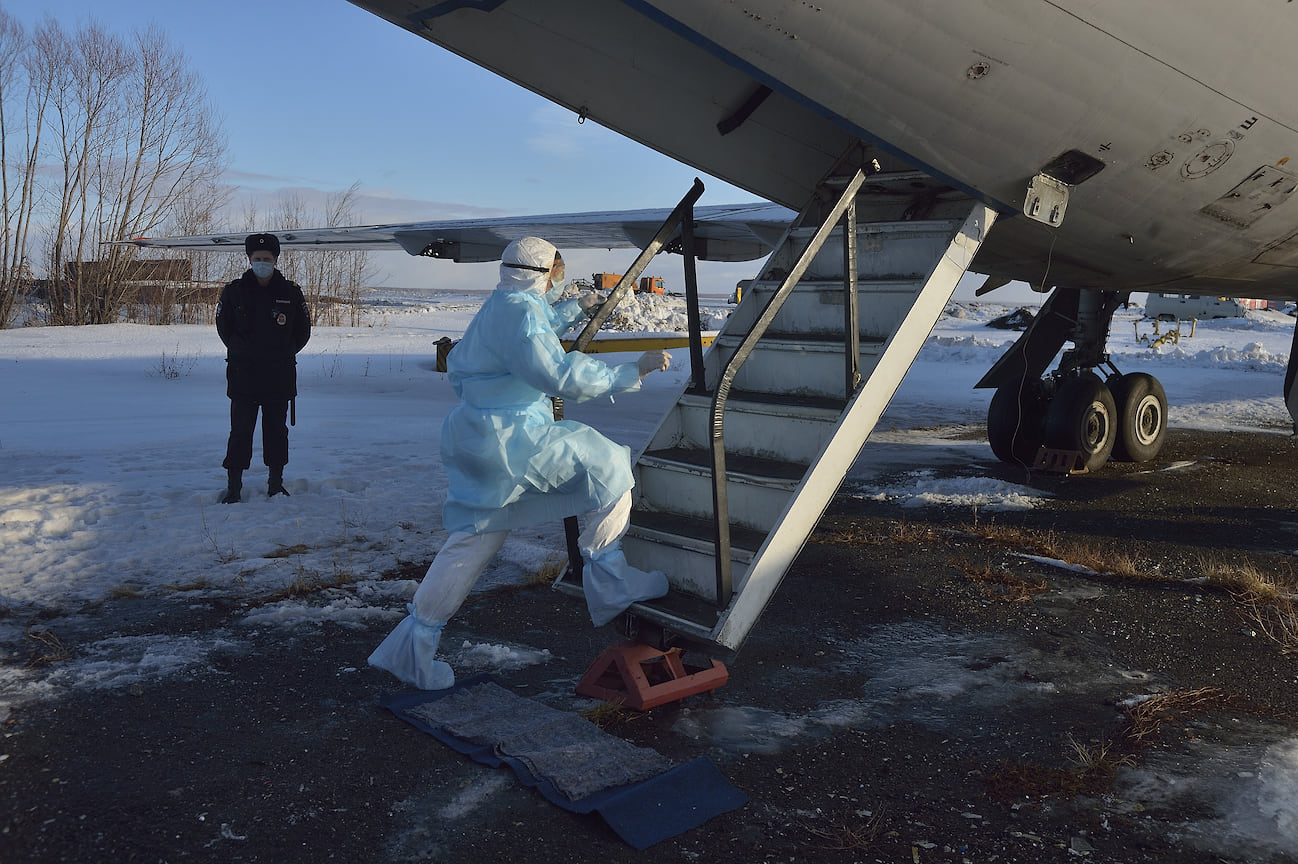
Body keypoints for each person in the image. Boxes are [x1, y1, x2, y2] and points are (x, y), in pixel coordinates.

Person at [369, 236, 671, 690]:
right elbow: (557, 373)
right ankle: (611, 581)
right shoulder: (523, 316)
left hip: (478, 439)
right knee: (611, 467)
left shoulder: (502, 303)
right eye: (557, 276)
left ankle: (413, 645)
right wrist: (634, 371)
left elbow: (527, 328)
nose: (558, 283)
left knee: (474, 540)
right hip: (516, 440)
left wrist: (571, 310)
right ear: (544, 273)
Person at [215, 233, 311, 503]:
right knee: (240, 433)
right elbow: (225, 329)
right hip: (243, 376)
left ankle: (275, 484)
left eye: (267, 259)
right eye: (257, 259)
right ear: (249, 259)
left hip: (278, 377)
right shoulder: (234, 291)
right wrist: (242, 353)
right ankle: (234, 488)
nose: (262, 263)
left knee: (276, 432)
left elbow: (302, 332)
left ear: (276, 259)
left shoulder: (290, 292)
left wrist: (281, 354)